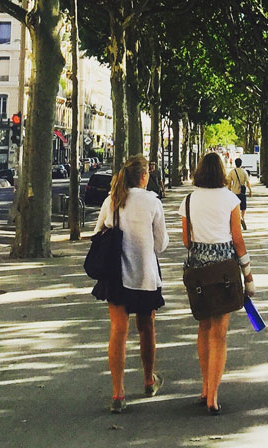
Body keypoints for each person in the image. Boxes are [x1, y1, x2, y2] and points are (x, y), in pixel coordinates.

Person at [92, 155, 169, 414]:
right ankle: (148, 380)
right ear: (144, 176)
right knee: (146, 328)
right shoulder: (152, 202)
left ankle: (118, 393)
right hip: (145, 275)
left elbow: (97, 232)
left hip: (116, 275)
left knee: (118, 331)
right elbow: (161, 244)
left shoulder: (112, 200)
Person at [179, 152, 254, 415]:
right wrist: (248, 275)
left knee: (204, 327)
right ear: (221, 171)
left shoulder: (189, 200)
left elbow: (186, 240)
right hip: (225, 271)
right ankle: (213, 395)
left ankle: (203, 387)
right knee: (219, 333)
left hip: (199, 270)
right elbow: (237, 239)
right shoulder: (231, 199)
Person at [226, 158, 251, 230]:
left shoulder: (232, 172)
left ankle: (238, 218)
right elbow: (247, 182)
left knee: (235, 207)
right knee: (243, 207)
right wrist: (250, 190)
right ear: (241, 163)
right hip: (242, 192)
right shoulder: (244, 172)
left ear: (235, 163)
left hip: (234, 192)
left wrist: (229, 190)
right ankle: (242, 217)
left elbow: (229, 182)